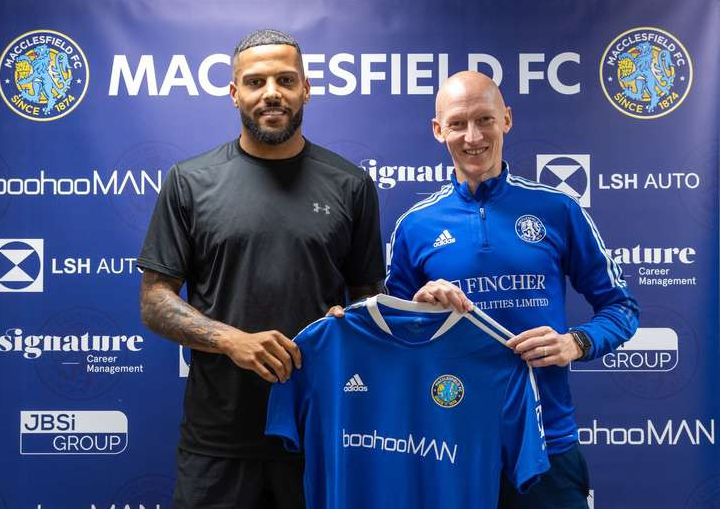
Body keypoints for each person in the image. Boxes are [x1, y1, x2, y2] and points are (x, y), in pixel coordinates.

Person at [137, 29, 384, 509]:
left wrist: (352, 328)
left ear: (305, 88)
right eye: (255, 82)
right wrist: (232, 340)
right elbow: (154, 301)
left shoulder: (351, 184)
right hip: (218, 441)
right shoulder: (190, 181)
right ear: (234, 94)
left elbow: (370, 301)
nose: (271, 93)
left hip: (320, 433)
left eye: (285, 80)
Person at [384, 71, 639, 508]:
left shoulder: (557, 209)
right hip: (451, 446)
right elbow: (391, 338)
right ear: (438, 129)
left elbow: (622, 308)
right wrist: (417, 309)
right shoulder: (415, 226)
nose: (472, 136)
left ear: (507, 119)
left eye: (485, 119)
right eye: (458, 123)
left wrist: (576, 342)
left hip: (548, 442)